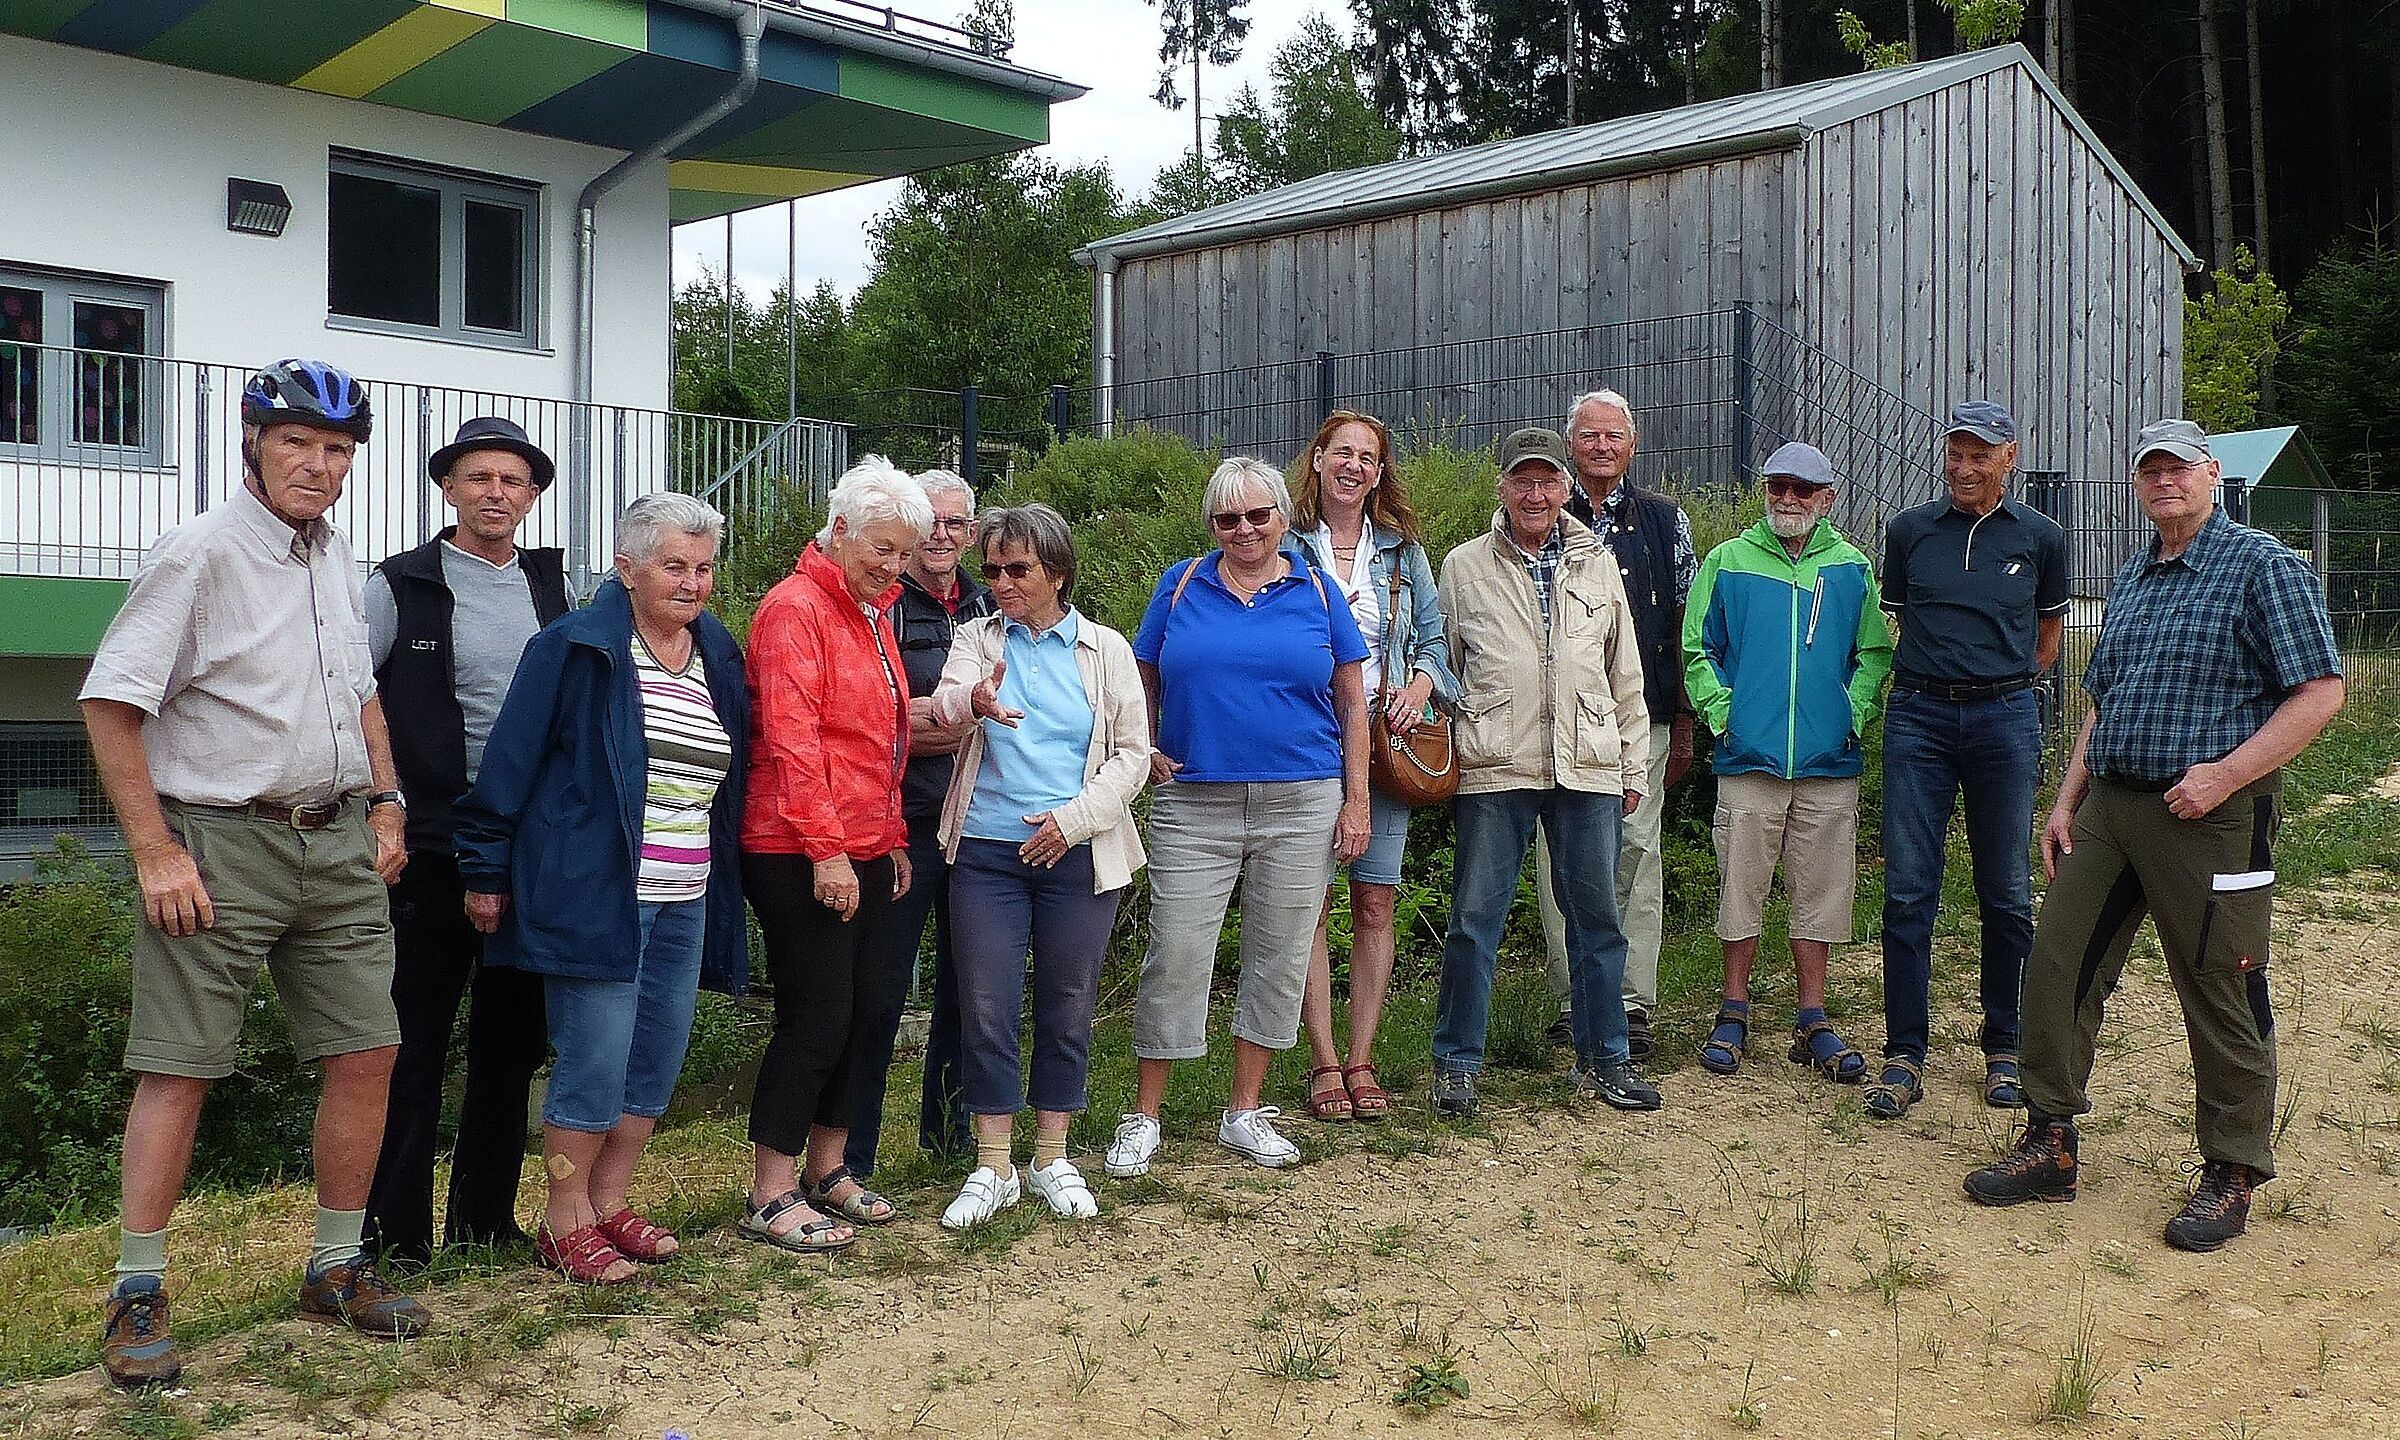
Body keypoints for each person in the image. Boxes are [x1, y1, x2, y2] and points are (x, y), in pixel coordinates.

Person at [80, 359, 428, 1388]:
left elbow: (359, 690)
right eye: (299, 446)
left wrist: (387, 797)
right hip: (219, 841)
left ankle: (333, 1266)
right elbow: (111, 703)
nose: (319, 467)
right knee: (180, 1065)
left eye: (338, 452)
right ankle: (137, 1291)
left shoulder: (332, 554)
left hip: (335, 840)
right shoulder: (201, 550)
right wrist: (155, 851)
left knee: (369, 1051)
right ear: (253, 442)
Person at [1966, 420, 2343, 1254]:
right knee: (2057, 964)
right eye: (2150, 471)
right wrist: (2066, 802)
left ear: (2212, 474)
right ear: (2137, 486)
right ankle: (2050, 1140)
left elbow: (2319, 693)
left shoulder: (2263, 567)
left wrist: (2225, 775)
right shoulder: (2134, 575)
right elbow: (2102, 702)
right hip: (2112, 809)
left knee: (2221, 984)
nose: (2164, 481)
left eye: (2178, 467)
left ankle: (2232, 1171)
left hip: (2210, 815)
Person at [454, 492, 749, 1284]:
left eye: (703, 568)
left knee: (655, 1057)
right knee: (593, 1059)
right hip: (597, 893)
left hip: (687, 892)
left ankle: (610, 1204)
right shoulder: (573, 648)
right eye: (673, 566)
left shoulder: (717, 653)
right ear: (626, 568)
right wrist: (484, 869)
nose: (691, 583)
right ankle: (564, 1218)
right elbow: (508, 765)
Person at [1109, 458, 1372, 1177]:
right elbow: (1143, 676)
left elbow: (1353, 702)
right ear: (1211, 525)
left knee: (1280, 957)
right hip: (1195, 802)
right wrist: (1145, 748)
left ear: (1285, 517)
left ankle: (1244, 1112)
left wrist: (1357, 798)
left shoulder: (1316, 587)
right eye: (1229, 518)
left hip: (1303, 800)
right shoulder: (1182, 582)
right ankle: (1144, 1117)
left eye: (1259, 515)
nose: (1245, 529)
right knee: (1176, 955)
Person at [362, 417, 567, 1268]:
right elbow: (353, 698)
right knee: (410, 1044)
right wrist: (384, 806)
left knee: (511, 1047)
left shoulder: (555, 590)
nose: (496, 494)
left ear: (531, 497)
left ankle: (485, 1221)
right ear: (447, 487)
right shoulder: (398, 584)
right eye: (479, 477)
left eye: (513, 482)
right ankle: (394, 1238)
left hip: (527, 844)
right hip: (430, 844)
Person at [921, 505, 1151, 1228]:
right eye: (990, 569)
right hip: (986, 854)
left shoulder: (1105, 649)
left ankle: (1052, 1155)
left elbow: (1133, 756)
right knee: (986, 1008)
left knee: (1068, 1005)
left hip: (1077, 850)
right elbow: (942, 705)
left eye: (1016, 569)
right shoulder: (976, 637)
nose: (1000, 582)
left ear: (1057, 571)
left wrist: (1071, 822)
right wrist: (971, 702)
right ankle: (993, 1167)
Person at [1432, 427, 1655, 1119]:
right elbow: (1444, 667)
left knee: (1599, 921)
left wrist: (1633, 765)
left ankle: (1606, 1061)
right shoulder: (1463, 565)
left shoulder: (1597, 562)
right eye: (1522, 481)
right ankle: (1456, 1067)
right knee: (1474, 921)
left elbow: (1626, 676)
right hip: (1496, 765)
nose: (1535, 494)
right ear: (1501, 488)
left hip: (1588, 764)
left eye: (1547, 482)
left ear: (1566, 489)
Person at [740, 458, 930, 1248]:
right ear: (840, 529)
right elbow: (794, 741)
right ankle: (770, 1190)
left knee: (870, 1012)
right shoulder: (795, 609)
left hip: (867, 842)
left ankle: (831, 1167)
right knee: (816, 1016)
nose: (892, 565)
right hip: (796, 845)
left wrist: (890, 840)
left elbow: (882, 737)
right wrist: (827, 853)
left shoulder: (874, 609)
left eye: (903, 552)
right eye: (881, 548)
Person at [1870, 402, 2069, 1120]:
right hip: (1919, 716)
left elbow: (2047, 639)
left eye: (1979, 455)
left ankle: (2005, 1047)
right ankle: (1904, 1053)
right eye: (1954, 453)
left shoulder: (2042, 538)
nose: (1963, 468)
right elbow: (1899, 615)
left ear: (2009, 457)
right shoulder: (1909, 532)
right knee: (1908, 890)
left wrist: (2001, 682)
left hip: (2004, 719)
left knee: (2006, 892)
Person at [1684, 442, 1892, 1086]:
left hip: (1829, 762)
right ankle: (1733, 1006)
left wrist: (1849, 717)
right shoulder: (1728, 561)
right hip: (1749, 757)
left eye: (1804, 490)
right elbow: (1698, 648)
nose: (1789, 500)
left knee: (1821, 890)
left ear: (1827, 499)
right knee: (1740, 883)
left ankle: (1813, 1015)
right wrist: (1726, 716)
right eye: (1779, 487)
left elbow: (1875, 654)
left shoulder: (1852, 567)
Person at [1292, 411, 1460, 1123]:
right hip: (1305, 742)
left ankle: (1362, 1059)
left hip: (1387, 749)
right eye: (1343, 452)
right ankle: (1322, 1061)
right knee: (1310, 905)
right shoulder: (1285, 543)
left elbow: (1438, 642)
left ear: (1380, 472)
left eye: (1369, 456)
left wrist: (1420, 688)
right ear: (1319, 460)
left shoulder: (1403, 553)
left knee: (1374, 901)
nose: (1355, 465)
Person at [1535, 389, 1699, 1059]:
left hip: (1644, 719)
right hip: (1554, 720)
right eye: (1589, 436)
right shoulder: (1540, 511)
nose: (1602, 447)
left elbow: (1688, 626)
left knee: (1637, 850)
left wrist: (1686, 719)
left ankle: (1630, 1005)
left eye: (1614, 437)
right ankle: (1575, 1001)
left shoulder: (1664, 521)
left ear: (1633, 446)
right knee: (1559, 860)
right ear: (1571, 445)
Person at [846, 468, 993, 1181]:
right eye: (930, 523)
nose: (942, 537)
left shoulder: (990, 602)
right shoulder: (880, 599)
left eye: (956, 525)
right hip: (895, 822)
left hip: (971, 821)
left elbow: (1017, 710)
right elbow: (871, 719)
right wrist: (961, 718)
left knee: (971, 991)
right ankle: (852, 1156)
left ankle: (951, 1141)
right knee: (878, 994)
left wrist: (940, 717)